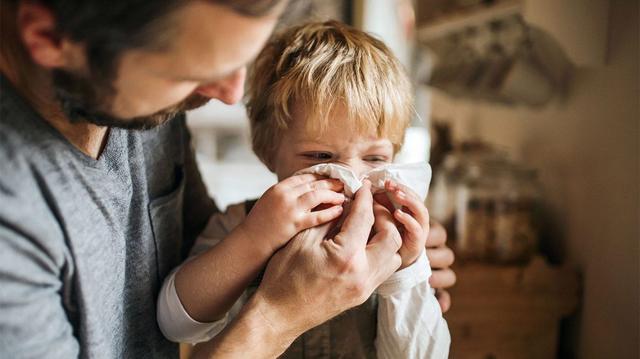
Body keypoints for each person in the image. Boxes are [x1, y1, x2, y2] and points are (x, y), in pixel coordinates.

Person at [0, 1, 456, 358]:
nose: (231, 95)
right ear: (49, 38)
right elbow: (178, 315)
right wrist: (279, 311)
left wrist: (409, 271)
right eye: (191, 70)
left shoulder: (145, 105)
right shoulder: (14, 224)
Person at [157, 20, 450, 358]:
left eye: (375, 158)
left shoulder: (392, 240)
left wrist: (408, 270)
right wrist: (255, 239)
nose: (352, 179)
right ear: (268, 151)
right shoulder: (240, 224)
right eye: (321, 157)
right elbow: (175, 324)